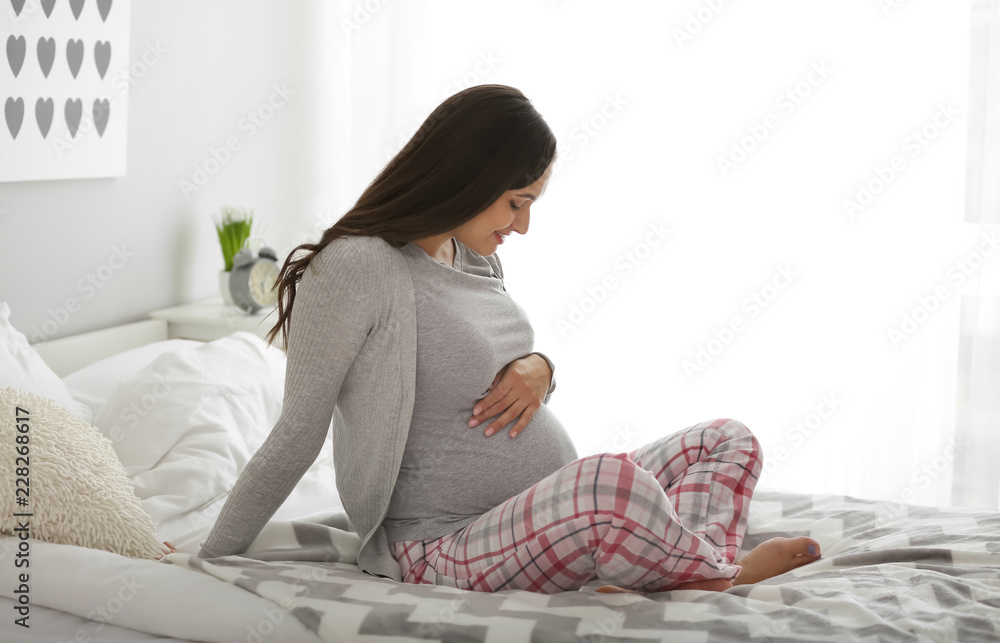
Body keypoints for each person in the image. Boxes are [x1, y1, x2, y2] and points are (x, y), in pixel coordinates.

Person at [196, 84, 822, 594]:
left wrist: (543, 367)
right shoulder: (360, 267)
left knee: (727, 440)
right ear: (466, 179)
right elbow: (298, 430)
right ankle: (718, 575)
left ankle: (670, 566)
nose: (523, 226)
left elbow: (490, 370)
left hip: (540, 515)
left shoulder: (471, 256)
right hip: (441, 543)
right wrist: (207, 555)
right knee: (610, 483)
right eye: (516, 203)